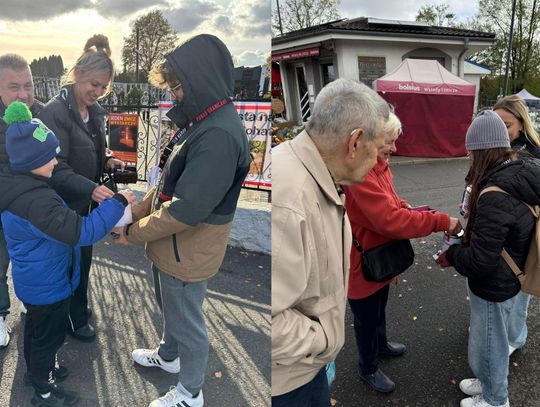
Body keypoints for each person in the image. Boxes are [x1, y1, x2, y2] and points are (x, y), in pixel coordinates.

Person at [111, 34, 250, 407]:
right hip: (173, 245)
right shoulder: (203, 120)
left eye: (177, 85)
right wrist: (137, 212)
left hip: (187, 248)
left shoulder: (217, 133)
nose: (174, 94)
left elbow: (186, 209)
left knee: (188, 323)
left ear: (199, 79)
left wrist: (133, 232)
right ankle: (168, 357)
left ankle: (190, 392)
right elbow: (168, 187)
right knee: (172, 309)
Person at [0, 101, 130, 406]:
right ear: (32, 161)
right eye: (50, 157)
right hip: (48, 286)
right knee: (49, 337)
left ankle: (35, 372)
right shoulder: (37, 202)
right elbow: (81, 232)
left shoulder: (21, 188)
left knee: (34, 332)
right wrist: (117, 204)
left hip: (34, 283)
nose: (55, 162)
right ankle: (43, 391)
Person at [272, 78, 390, 407]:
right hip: (290, 382)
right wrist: (325, 339)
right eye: (377, 149)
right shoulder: (291, 199)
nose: (379, 161)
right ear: (355, 142)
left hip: (304, 366)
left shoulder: (317, 174)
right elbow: (270, 319)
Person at [343, 112, 462, 393]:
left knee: (378, 307)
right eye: (390, 142)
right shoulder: (359, 173)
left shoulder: (377, 164)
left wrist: (404, 205)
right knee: (366, 318)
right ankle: (368, 367)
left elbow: (390, 204)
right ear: (368, 140)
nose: (394, 149)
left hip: (378, 255)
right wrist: (440, 221)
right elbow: (389, 220)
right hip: (364, 261)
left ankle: (380, 345)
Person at [436, 110, 540, 407]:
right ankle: (487, 382)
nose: (468, 156)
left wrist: (453, 251)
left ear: (480, 151)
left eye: (470, 151)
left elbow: (481, 261)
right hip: (511, 275)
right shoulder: (518, 171)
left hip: (494, 283)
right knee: (487, 344)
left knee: (491, 346)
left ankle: (496, 400)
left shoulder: (496, 193)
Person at [38, 34, 124, 342]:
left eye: (104, 87)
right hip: (62, 205)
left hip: (83, 205)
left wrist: (109, 159)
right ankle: (68, 319)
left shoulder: (93, 113)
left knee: (81, 262)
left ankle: (75, 314)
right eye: (94, 85)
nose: (98, 92)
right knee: (65, 265)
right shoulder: (54, 112)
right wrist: (92, 189)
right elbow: (55, 166)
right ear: (77, 75)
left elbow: (93, 149)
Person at [0, 53, 44, 348]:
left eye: (27, 85)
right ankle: (1, 314)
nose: (23, 95)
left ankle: (29, 302)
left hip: (32, 210)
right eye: (14, 87)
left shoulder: (41, 113)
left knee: (32, 261)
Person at [492, 95, 540, 356]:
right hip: (502, 233)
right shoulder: (496, 150)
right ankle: (502, 329)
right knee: (504, 287)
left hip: (525, 235)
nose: (502, 132)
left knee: (521, 289)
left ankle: (515, 336)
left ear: (522, 124)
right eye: (496, 125)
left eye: (507, 125)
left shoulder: (533, 154)